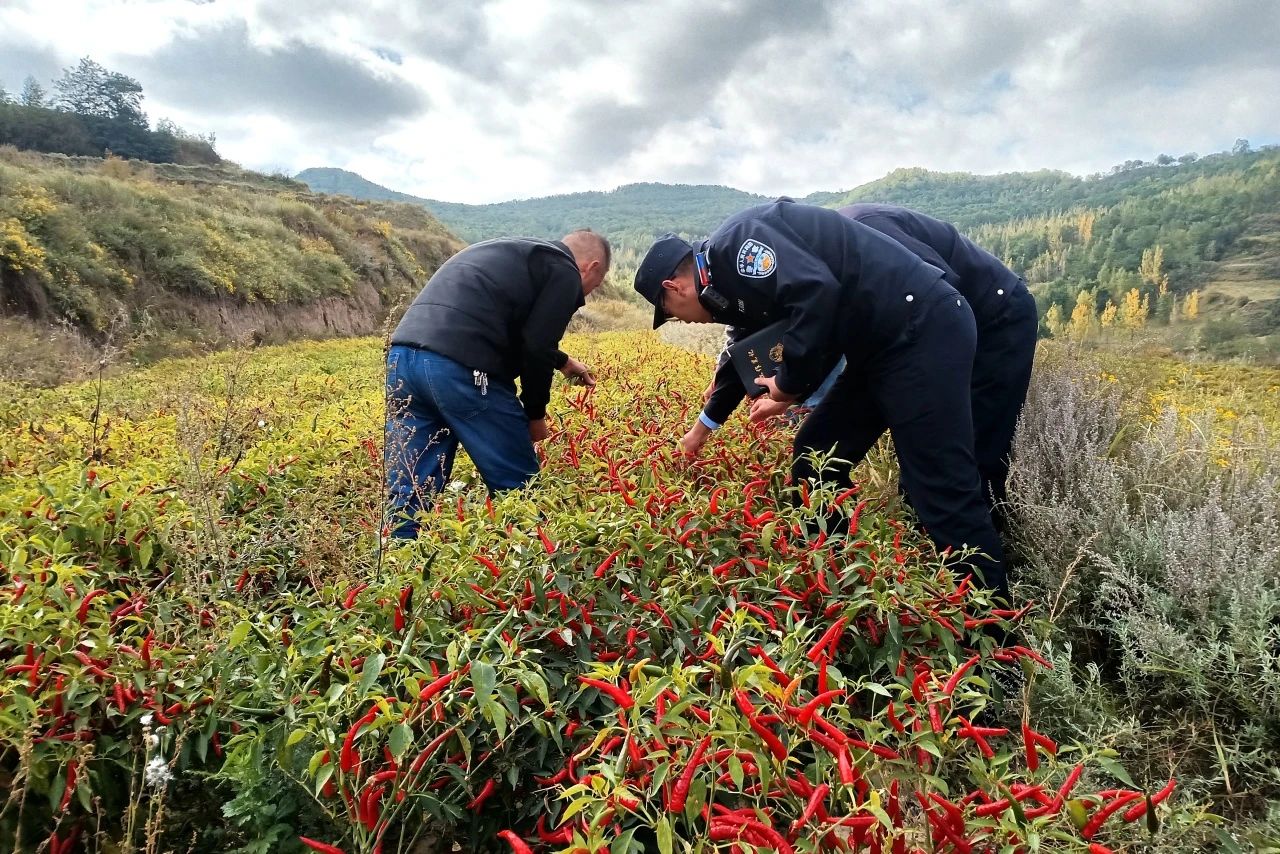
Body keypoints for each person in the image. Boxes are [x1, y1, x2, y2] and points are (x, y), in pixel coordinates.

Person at [634, 200, 1009, 599]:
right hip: (879, 347)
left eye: (672, 313)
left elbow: (816, 292)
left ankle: (994, 632)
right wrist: (699, 432)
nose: (685, 321)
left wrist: (790, 386)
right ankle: (836, 576)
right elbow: (741, 355)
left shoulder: (737, 247)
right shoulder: (724, 284)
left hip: (919, 331)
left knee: (940, 485)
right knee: (816, 455)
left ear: (673, 288)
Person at [747, 203, 1038, 518]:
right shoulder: (816, 270)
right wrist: (791, 389)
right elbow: (831, 333)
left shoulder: (867, 229)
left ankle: (981, 558)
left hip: (996, 317)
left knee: (964, 463)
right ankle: (832, 555)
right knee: (818, 450)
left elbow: (939, 298)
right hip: (898, 339)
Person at [386, 229, 610, 537]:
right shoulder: (564, 270)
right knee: (520, 489)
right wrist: (535, 416)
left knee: (411, 483)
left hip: (403, 360)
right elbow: (536, 346)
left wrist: (562, 361)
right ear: (591, 267)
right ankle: (533, 570)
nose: (585, 296)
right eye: (593, 287)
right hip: (461, 368)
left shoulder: (520, 253)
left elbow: (514, 327)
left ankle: (396, 570)